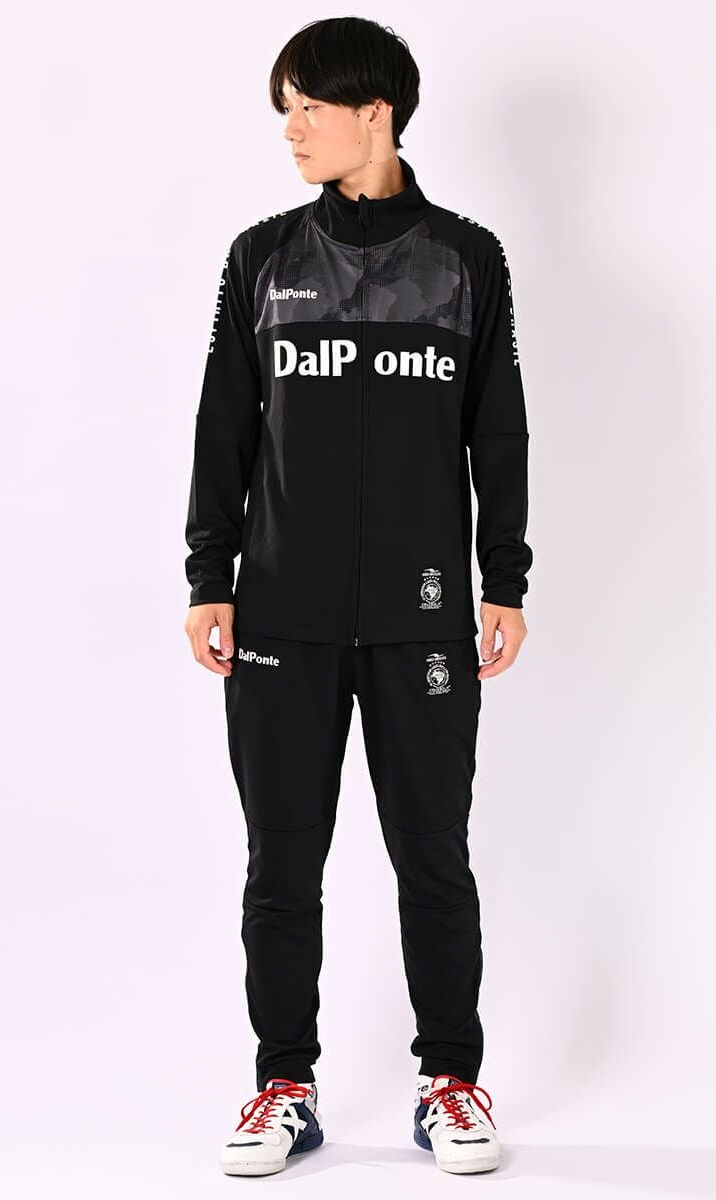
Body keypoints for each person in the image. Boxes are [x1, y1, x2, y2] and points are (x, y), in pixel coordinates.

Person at [183, 17, 532, 1178]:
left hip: (422, 614)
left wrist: (503, 578)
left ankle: (451, 1081)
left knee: (433, 855)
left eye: (309, 107)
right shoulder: (261, 258)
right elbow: (225, 424)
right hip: (279, 610)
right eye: (284, 109)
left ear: (375, 111)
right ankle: (283, 1084)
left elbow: (497, 428)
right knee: (281, 862)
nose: (291, 130)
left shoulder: (467, 259)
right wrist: (210, 576)